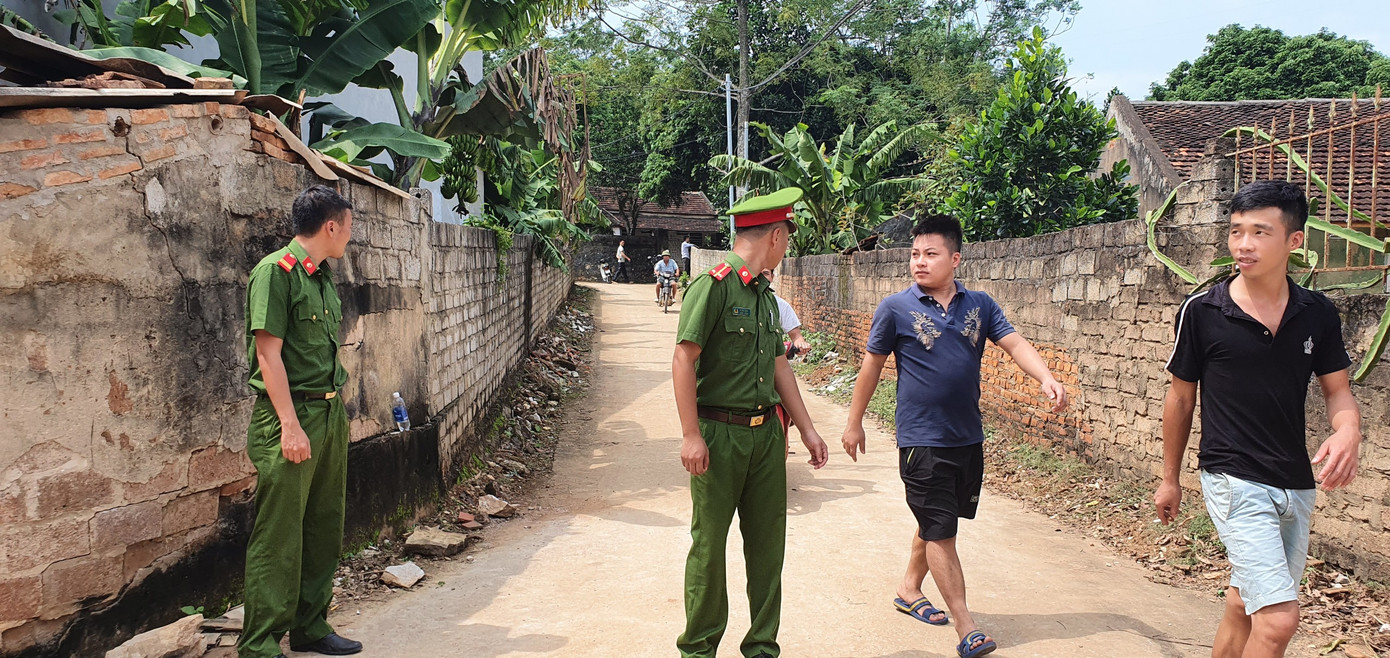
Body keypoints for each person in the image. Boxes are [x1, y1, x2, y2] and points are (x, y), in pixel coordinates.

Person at [840, 214, 1067, 658]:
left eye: (930, 254)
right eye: (914, 255)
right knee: (941, 529)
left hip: (967, 436)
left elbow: (1015, 343)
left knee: (938, 520)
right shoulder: (894, 308)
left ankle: (909, 588)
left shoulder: (980, 305)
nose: (919, 263)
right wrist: (854, 421)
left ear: (955, 259)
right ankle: (966, 625)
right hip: (920, 438)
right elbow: (871, 366)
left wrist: (1046, 376)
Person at [1155, 180, 1361, 658]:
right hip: (1233, 477)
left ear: (1294, 241)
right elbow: (1181, 399)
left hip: (1295, 481)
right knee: (1278, 622)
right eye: (1235, 232)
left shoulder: (1317, 313)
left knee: (1244, 604)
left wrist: (1348, 430)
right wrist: (1170, 479)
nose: (1243, 245)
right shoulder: (1203, 310)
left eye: (1259, 232)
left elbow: (1339, 392)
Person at [673, 187, 830, 658]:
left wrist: (805, 427)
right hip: (719, 436)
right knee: (709, 548)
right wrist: (690, 435)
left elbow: (780, 365)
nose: (786, 250)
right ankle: (698, 650)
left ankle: (762, 647)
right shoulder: (713, 286)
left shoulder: (765, 296)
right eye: (787, 241)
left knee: (767, 550)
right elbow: (684, 358)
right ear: (776, 236)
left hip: (767, 439)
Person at [239, 185, 363, 658]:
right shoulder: (275, 273)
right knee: (279, 535)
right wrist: (290, 426)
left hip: (328, 413)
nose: (349, 236)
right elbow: (268, 356)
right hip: (291, 418)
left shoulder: (321, 277)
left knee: (323, 525)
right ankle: (260, 646)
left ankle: (310, 626)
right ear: (331, 226)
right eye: (348, 227)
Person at [760, 268, 811, 357]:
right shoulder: (737, 301)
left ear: (772, 277)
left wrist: (801, 345)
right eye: (758, 273)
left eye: (765, 273)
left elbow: (796, 336)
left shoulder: (780, 305)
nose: (761, 278)